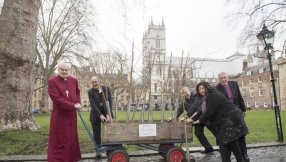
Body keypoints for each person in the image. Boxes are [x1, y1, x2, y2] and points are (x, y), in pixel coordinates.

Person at [186, 81, 248, 162]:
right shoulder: (206, 98)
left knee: (227, 141)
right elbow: (201, 110)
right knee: (228, 142)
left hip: (232, 119)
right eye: (199, 89)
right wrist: (192, 118)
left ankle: (238, 160)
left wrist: (199, 120)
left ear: (207, 87)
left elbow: (209, 111)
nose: (201, 90)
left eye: (203, 88)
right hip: (224, 120)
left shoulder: (213, 95)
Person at [47, 63, 81, 162]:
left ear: (69, 70)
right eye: (62, 69)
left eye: (66, 70)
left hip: (71, 115)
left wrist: (78, 102)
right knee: (61, 137)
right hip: (59, 115)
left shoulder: (74, 80)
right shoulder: (52, 81)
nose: (64, 71)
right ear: (58, 69)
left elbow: (77, 92)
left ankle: (72, 158)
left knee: (72, 136)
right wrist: (73, 105)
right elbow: (56, 98)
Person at [167, 86, 216, 153]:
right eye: (183, 93)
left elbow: (195, 106)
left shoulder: (196, 95)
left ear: (189, 90)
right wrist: (173, 117)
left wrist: (186, 116)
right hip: (196, 119)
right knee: (198, 133)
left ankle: (224, 146)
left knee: (215, 131)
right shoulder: (184, 100)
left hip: (205, 117)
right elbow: (180, 110)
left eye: (186, 92)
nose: (185, 94)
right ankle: (209, 148)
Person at [216, 71, 249, 161]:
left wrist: (243, 109)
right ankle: (230, 153)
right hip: (227, 115)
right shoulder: (216, 88)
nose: (223, 79)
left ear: (228, 77)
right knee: (232, 135)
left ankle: (244, 153)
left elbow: (239, 97)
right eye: (221, 78)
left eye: (225, 77)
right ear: (218, 79)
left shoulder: (234, 84)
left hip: (237, 112)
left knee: (241, 134)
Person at [88, 76, 113, 157]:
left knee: (109, 132)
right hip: (96, 115)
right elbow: (93, 105)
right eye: (92, 82)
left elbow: (110, 101)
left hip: (106, 113)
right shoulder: (90, 92)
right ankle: (98, 150)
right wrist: (100, 115)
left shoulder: (106, 89)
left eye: (95, 82)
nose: (94, 84)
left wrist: (108, 114)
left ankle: (110, 150)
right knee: (96, 134)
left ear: (99, 81)